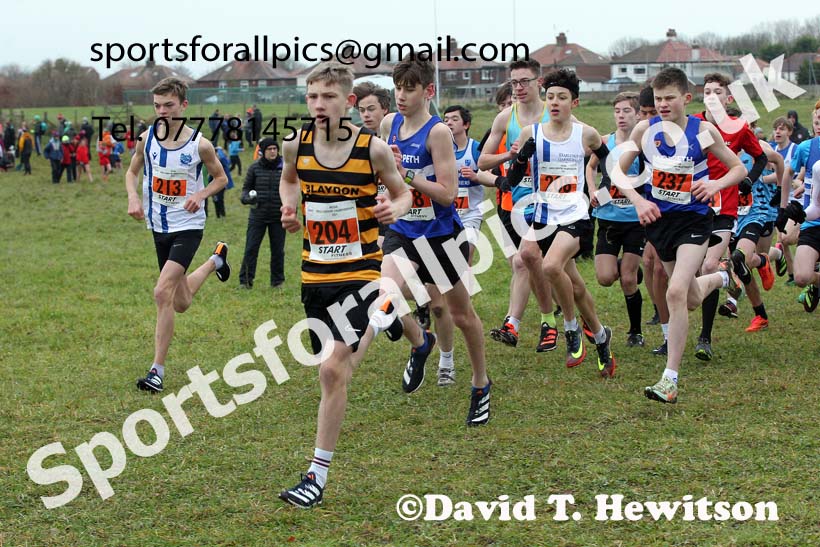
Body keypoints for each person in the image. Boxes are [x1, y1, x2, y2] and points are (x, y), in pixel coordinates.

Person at [277, 62, 411, 508]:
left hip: (360, 269)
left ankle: (316, 475)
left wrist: (395, 206)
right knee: (339, 367)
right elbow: (289, 181)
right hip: (315, 272)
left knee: (332, 369)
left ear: (348, 102)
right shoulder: (296, 146)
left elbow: (402, 191)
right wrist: (290, 209)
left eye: (328, 97)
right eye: (312, 96)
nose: (318, 104)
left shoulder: (372, 150)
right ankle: (384, 312)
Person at [616, 67, 746, 404]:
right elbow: (617, 170)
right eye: (657, 99)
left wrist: (716, 184)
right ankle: (721, 277)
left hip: (695, 220)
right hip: (659, 223)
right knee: (688, 298)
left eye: (669, 98)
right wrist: (639, 200)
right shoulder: (645, 130)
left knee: (674, 293)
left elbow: (739, 168)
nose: (662, 104)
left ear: (686, 98)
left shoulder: (702, 131)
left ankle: (669, 380)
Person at [125, 77, 232, 394]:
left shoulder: (200, 145)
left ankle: (156, 371)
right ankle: (215, 261)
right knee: (181, 301)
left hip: (188, 225)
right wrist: (133, 197)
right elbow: (132, 173)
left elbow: (221, 179)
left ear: (183, 106)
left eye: (168, 105)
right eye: (157, 105)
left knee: (162, 293)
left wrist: (200, 195)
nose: (162, 111)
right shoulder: (147, 140)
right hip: (158, 227)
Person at [506, 68, 616, 375]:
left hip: (575, 215)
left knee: (551, 266)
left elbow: (607, 162)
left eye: (562, 98)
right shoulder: (533, 133)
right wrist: (517, 160)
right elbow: (513, 178)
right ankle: (601, 335)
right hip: (542, 215)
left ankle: (571, 328)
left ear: (574, 103)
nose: (554, 103)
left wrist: (600, 193)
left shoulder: (587, 134)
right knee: (576, 287)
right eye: (550, 97)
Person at [479, 59, 557, 351]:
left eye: (525, 81)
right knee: (525, 264)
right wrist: (509, 157)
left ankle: (573, 323)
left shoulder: (555, 112)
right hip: (515, 205)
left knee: (549, 268)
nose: (519, 87)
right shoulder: (505, 118)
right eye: (514, 82)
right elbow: (482, 161)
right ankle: (517, 324)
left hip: (551, 203)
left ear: (539, 82)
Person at [690, 73, 767, 361]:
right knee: (684, 271)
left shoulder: (738, 128)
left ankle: (704, 338)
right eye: (707, 91)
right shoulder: (691, 123)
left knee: (708, 264)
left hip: (725, 206)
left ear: (728, 98)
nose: (712, 95)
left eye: (718, 91)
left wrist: (748, 180)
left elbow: (759, 158)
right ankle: (726, 279)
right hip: (693, 204)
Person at [587, 91, 646, 346]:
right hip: (608, 217)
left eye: (626, 111)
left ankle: (635, 332)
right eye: (617, 111)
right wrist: (591, 189)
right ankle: (628, 267)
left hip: (635, 220)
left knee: (629, 279)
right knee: (605, 278)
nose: (621, 116)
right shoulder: (605, 141)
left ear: (638, 114)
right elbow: (591, 167)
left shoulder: (643, 145)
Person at [779, 101, 820, 312]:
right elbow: (787, 173)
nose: (819, 125)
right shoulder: (807, 148)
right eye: (816, 121)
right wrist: (784, 207)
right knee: (802, 278)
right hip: (813, 223)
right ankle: (816, 284)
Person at [238, 138, 286, 289]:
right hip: (258, 215)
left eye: (275, 148)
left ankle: (277, 282)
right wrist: (247, 199)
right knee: (251, 248)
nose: (273, 152)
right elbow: (245, 189)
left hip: (278, 216)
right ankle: (245, 281)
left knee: (278, 251)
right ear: (263, 151)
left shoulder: (284, 167)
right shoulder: (254, 168)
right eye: (269, 149)